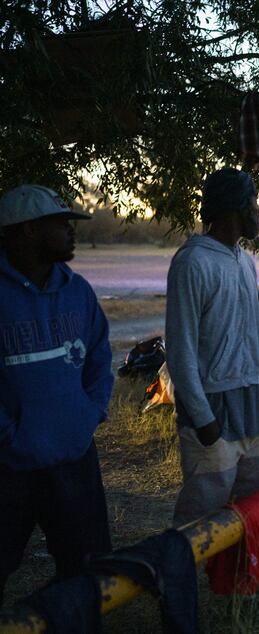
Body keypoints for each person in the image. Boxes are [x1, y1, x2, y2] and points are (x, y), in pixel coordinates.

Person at [0, 185, 113, 605]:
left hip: (75, 459)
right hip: (10, 466)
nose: (71, 230)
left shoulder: (77, 289)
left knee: (87, 571)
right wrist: (11, 437)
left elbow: (100, 355)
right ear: (27, 230)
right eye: (60, 223)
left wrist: (90, 413)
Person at [165, 168, 259, 527]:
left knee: (253, 504)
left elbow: (252, 336)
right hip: (212, 406)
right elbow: (180, 349)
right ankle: (182, 579)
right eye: (254, 203)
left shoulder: (244, 260)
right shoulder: (192, 262)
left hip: (251, 400)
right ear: (235, 209)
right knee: (203, 510)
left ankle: (240, 580)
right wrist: (203, 417)